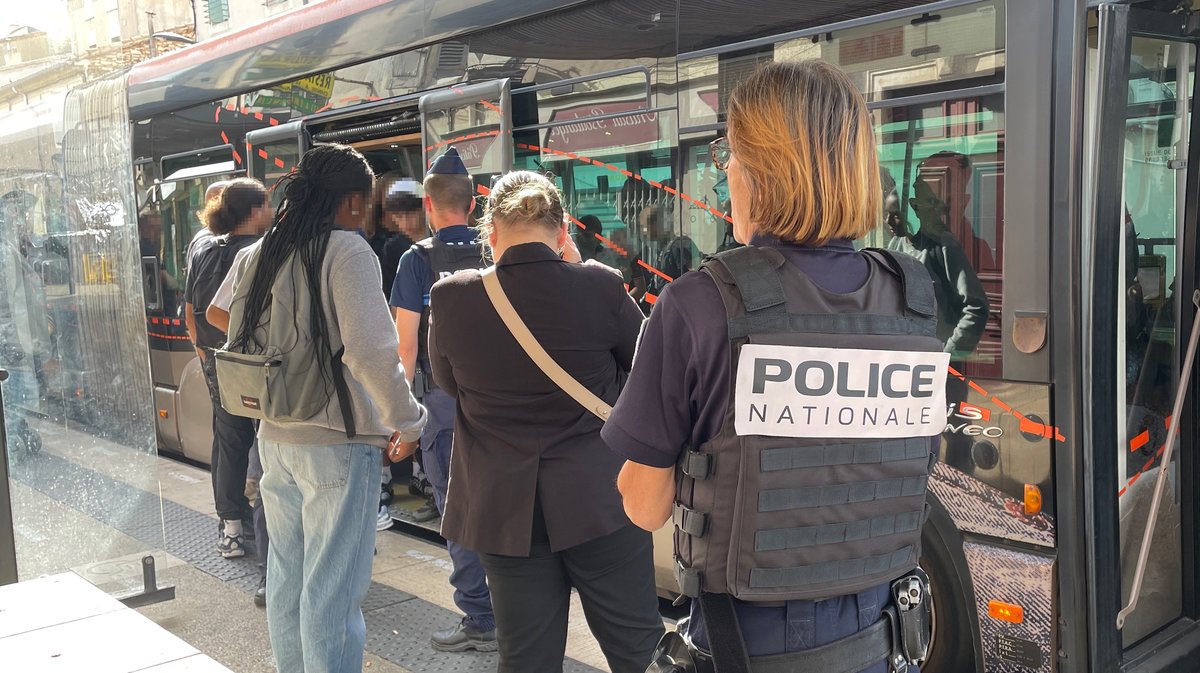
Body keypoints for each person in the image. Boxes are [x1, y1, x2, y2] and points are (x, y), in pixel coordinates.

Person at [606, 61, 946, 673]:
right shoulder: (912, 300)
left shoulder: (699, 303)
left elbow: (644, 506)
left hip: (744, 646)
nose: (724, 174)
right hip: (882, 644)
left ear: (763, 169)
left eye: (728, 156)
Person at [428, 170, 664, 673]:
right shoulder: (600, 284)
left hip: (504, 510)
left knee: (525, 658)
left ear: (490, 233)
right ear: (563, 231)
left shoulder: (452, 296)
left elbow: (450, 385)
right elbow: (649, 372)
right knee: (638, 648)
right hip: (600, 500)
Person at [223, 144, 427, 673]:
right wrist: (407, 421)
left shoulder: (262, 250)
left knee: (288, 579)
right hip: (338, 440)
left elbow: (222, 314)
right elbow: (371, 352)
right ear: (354, 201)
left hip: (276, 435)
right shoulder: (347, 251)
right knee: (332, 593)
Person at [389, 146, 496, 652]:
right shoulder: (497, 248)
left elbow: (405, 347)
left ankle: (480, 619)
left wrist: (401, 418)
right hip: (503, 404)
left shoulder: (416, 260)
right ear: (473, 204)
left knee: (456, 510)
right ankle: (515, 612)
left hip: (444, 404)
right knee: (503, 505)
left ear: (428, 206)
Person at [185, 178, 273, 565]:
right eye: (267, 205)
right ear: (254, 212)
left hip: (215, 362)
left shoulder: (203, 250)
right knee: (267, 443)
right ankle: (268, 526)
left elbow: (191, 314)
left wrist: (204, 354)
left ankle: (231, 529)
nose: (272, 212)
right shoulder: (261, 253)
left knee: (229, 442)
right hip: (252, 364)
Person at [887, 152, 990, 360]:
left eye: (939, 202)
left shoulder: (945, 246)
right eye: (929, 202)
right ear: (914, 206)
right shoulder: (895, 246)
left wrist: (946, 357)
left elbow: (976, 307)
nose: (890, 221)